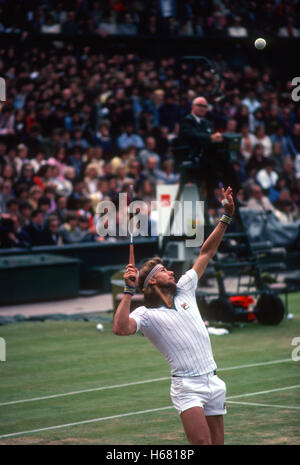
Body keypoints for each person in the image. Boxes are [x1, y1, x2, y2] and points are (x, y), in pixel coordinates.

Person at [113, 186, 235, 445]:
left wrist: (226, 217)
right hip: (186, 387)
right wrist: (127, 290)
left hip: (213, 379)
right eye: (163, 270)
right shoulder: (146, 314)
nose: (170, 271)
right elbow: (120, 328)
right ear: (153, 282)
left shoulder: (186, 289)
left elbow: (206, 252)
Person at [176, 96, 240, 201]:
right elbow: (193, 136)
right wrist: (210, 137)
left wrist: (217, 138)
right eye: (200, 105)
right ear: (193, 106)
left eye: (205, 106)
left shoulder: (206, 122)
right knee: (212, 163)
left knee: (227, 162)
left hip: (206, 154)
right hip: (192, 155)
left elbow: (209, 137)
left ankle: (233, 194)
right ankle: (212, 195)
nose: (202, 108)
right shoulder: (186, 121)